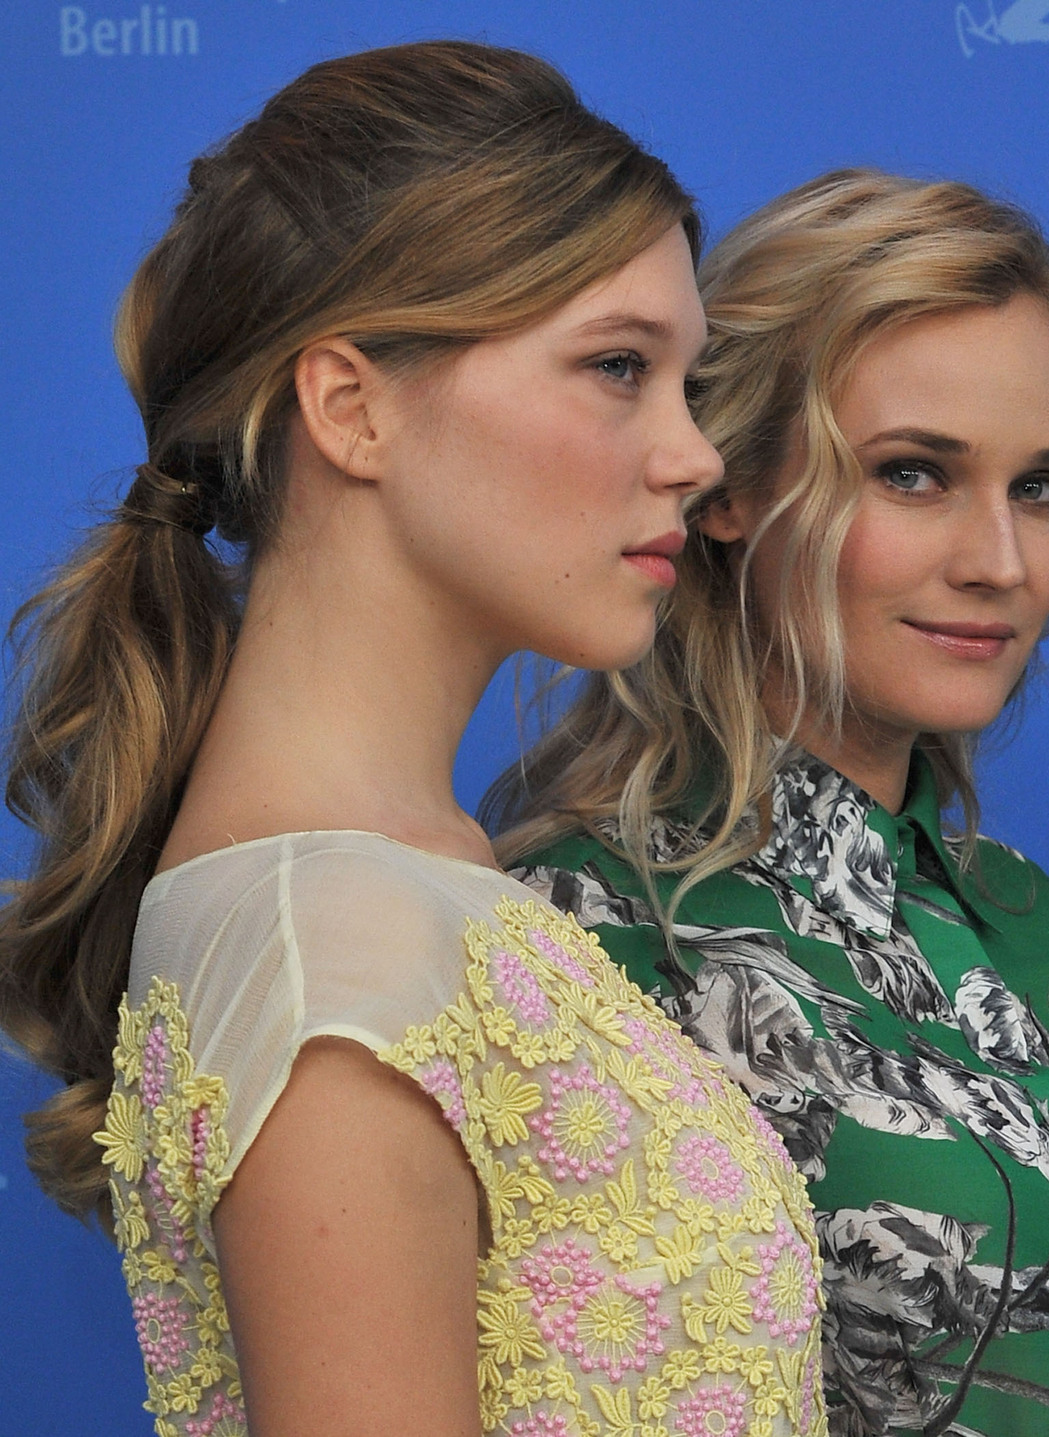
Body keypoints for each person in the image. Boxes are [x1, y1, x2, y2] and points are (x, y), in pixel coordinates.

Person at [0, 42, 825, 1436]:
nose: (694, 455)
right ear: (350, 405)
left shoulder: (398, 882)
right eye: (618, 367)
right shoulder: (327, 943)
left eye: (687, 381)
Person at [493, 170, 1049, 1437]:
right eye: (910, 474)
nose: (998, 563)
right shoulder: (583, 932)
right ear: (724, 488)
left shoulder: (1022, 915)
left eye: (1039, 488)